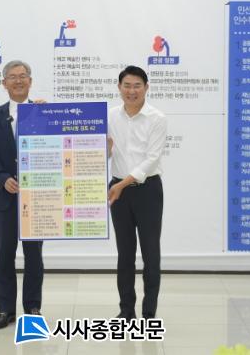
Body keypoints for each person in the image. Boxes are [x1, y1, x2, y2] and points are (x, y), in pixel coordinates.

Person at [0, 60, 44, 329]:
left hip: (36, 198)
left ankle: (32, 307)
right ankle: (5, 310)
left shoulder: (42, 112)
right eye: (13, 77)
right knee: (5, 254)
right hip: (4, 198)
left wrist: (48, 114)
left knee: (34, 256)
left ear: (30, 81)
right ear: (4, 83)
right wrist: (2, 178)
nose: (18, 81)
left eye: (23, 76)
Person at [107, 65, 167, 320]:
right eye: (127, 86)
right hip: (118, 191)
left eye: (137, 86)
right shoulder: (110, 116)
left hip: (147, 190)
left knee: (151, 253)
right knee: (125, 253)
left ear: (146, 87)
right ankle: (126, 310)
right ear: (119, 88)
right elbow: (101, 152)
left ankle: (149, 312)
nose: (132, 91)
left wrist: (121, 185)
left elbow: (152, 159)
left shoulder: (157, 118)